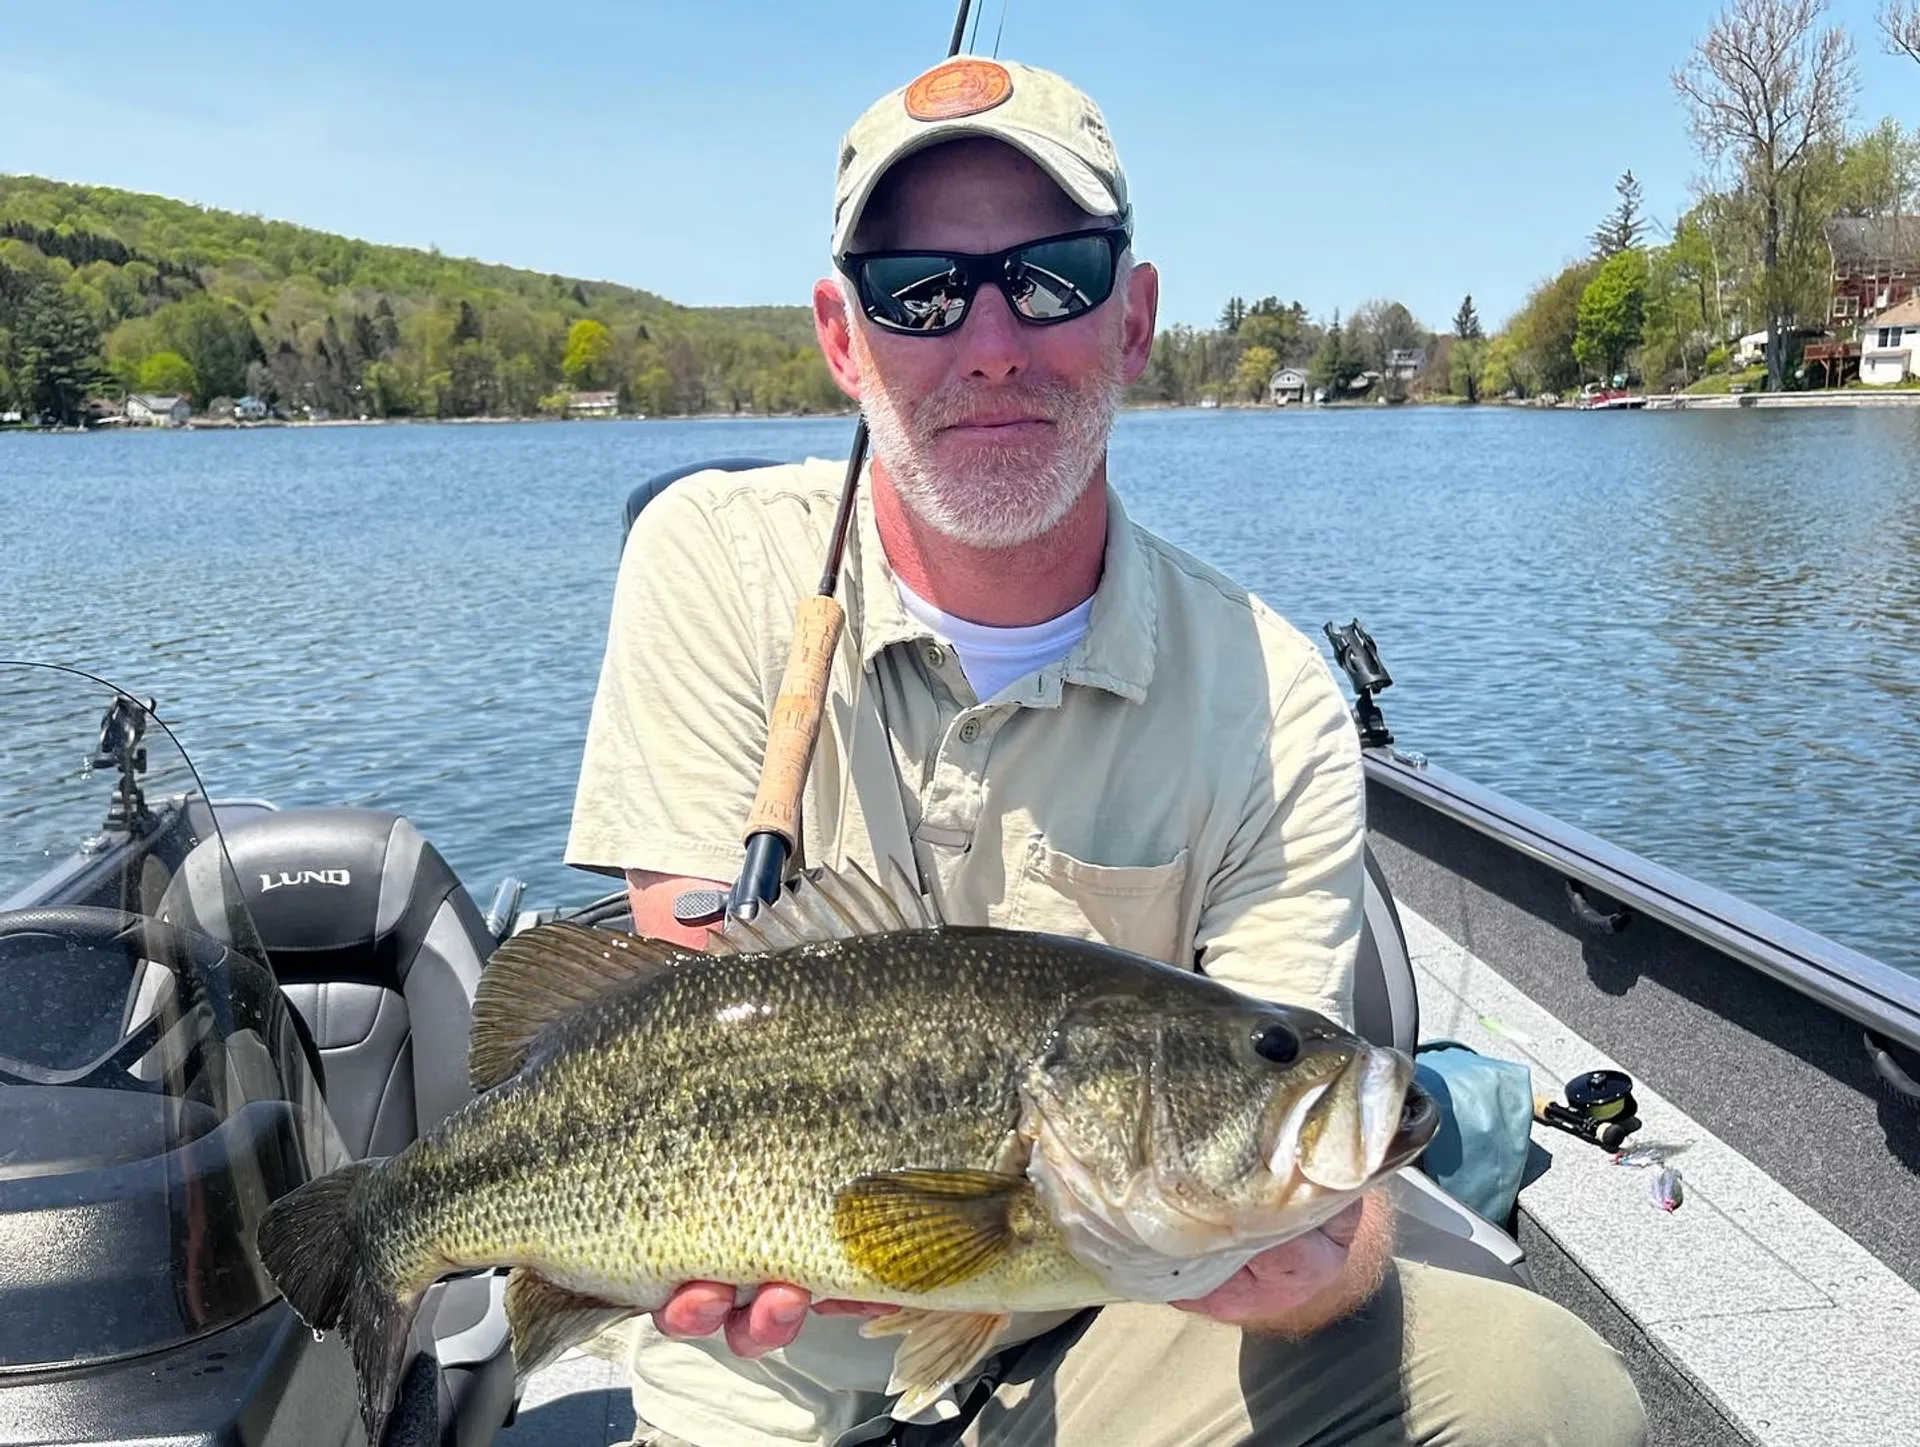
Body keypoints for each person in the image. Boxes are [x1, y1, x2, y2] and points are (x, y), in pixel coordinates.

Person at [566, 55, 1646, 1447]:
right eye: (918, 290)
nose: (992, 342)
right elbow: (687, 1021)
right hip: (753, 1373)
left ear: (1132, 318)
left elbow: (1272, 1130)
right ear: (844, 338)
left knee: (1542, 1393)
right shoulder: (707, 562)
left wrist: (1329, 1250)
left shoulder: (1273, 697)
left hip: (1109, 1330)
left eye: (1052, 275)